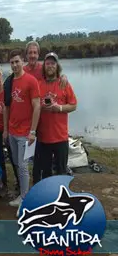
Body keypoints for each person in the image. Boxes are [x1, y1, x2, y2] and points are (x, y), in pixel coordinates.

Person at [3, 49, 40, 209]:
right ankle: (22, 194)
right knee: (17, 164)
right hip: (12, 131)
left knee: (23, 166)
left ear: (23, 61)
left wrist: (33, 131)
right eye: (12, 62)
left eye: (17, 61)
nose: (15, 65)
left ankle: (25, 199)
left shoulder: (31, 81)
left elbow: (37, 106)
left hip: (25, 133)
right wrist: (5, 129)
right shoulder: (9, 81)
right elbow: (6, 107)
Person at [33, 52, 77, 184]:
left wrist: (60, 108)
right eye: (47, 63)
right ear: (44, 66)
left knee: (61, 172)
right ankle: (48, 198)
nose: (50, 66)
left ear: (57, 66)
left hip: (60, 137)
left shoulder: (64, 83)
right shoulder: (38, 84)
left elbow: (74, 105)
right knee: (45, 172)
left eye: (53, 63)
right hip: (43, 138)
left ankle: (62, 197)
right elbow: (33, 106)